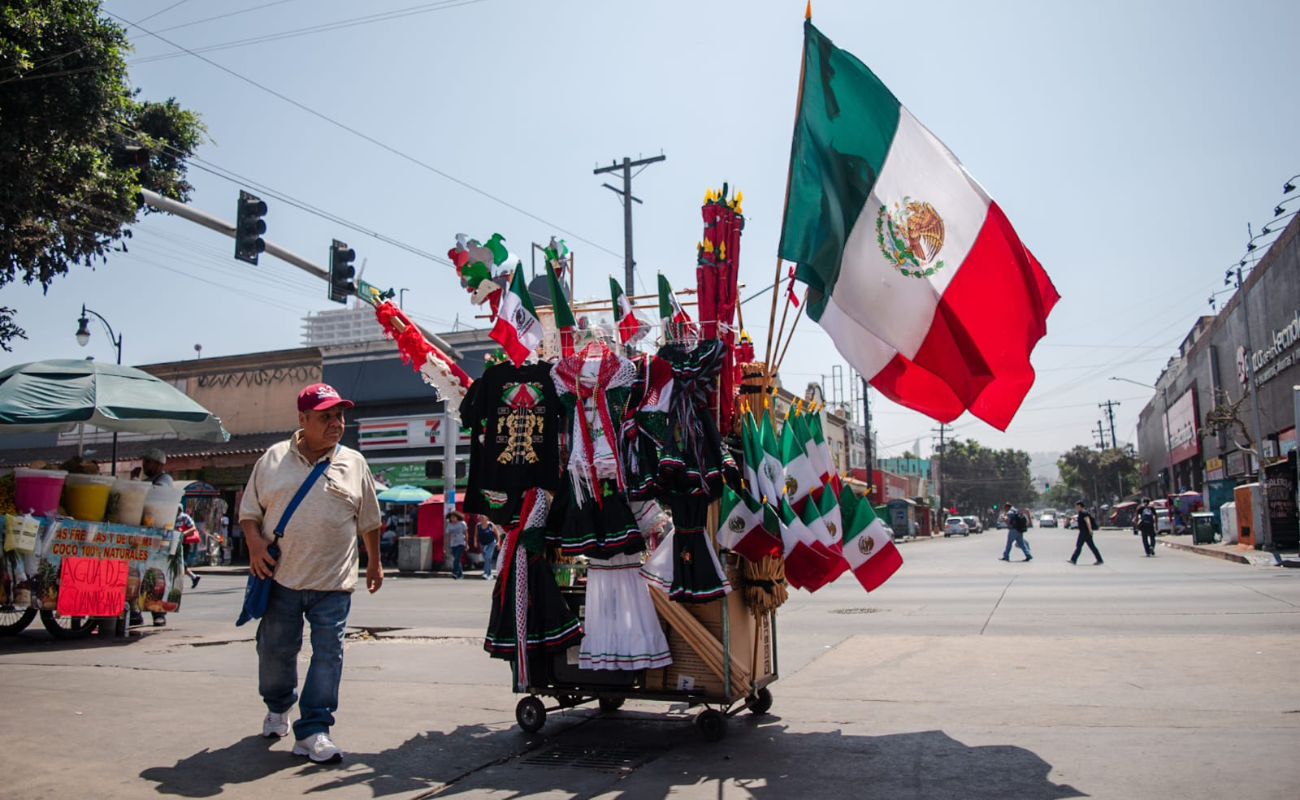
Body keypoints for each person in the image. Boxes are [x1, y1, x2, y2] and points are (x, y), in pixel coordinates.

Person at [239, 382, 383, 764]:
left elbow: (369, 518)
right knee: (274, 651)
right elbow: (249, 512)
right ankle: (279, 703)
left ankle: (315, 729)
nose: (336, 423)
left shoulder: (354, 463)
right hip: (280, 577)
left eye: (339, 416)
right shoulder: (271, 459)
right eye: (326, 417)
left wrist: (374, 560)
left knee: (328, 654)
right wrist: (254, 545)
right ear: (302, 420)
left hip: (333, 583)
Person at [1068, 500, 1103, 565]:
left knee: (1079, 546)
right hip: (1085, 533)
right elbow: (1082, 521)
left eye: (1076, 506)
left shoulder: (1083, 513)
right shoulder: (1082, 513)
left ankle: (1073, 559)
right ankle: (1099, 559)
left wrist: (1090, 530)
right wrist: (1074, 519)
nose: (1075, 507)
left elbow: (1087, 521)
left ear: (1079, 506)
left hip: (1085, 533)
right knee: (1091, 547)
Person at [446, 511, 467, 580]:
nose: (452, 519)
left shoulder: (462, 523)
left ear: (457, 517)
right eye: (451, 517)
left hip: (460, 543)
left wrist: (467, 543)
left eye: (454, 517)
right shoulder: (449, 525)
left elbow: (466, 533)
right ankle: (460, 574)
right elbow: (448, 535)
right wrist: (446, 544)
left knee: (457, 559)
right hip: (453, 544)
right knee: (456, 560)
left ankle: (454, 572)